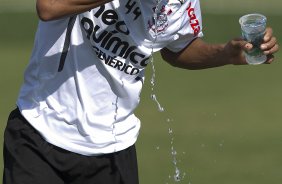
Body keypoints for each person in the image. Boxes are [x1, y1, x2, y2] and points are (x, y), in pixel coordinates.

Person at [3, 0, 279, 184]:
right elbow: (49, 6)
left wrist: (225, 54)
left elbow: (178, 48)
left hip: (113, 149)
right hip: (39, 133)